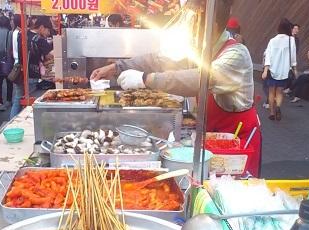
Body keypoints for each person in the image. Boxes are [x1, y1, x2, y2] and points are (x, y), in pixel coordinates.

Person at [91, 0, 262, 177]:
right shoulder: (200, 48)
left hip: (237, 145)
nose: (190, 30)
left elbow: (200, 79)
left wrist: (145, 79)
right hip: (211, 139)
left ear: (213, 26)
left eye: (193, 24)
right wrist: (116, 67)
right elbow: (159, 59)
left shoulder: (236, 55)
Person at [262, 18, 297, 121]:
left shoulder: (272, 41)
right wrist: (295, 69)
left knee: (271, 92)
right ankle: (278, 107)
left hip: (273, 70)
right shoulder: (291, 40)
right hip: (284, 71)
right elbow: (293, 56)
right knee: (280, 92)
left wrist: (265, 70)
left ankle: (272, 113)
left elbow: (268, 56)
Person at [0, 15, 13, 111]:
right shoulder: (10, 33)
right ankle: (8, 100)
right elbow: (11, 48)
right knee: (9, 81)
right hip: (7, 61)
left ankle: (0, 101)